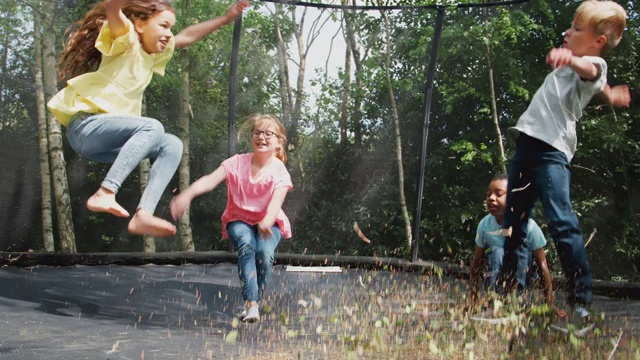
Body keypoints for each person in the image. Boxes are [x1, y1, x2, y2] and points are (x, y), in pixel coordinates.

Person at [47, 0, 250, 237]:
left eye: (170, 28)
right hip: (86, 127)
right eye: (163, 26)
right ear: (140, 24)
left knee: (172, 144)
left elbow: (186, 37)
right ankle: (105, 191)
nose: (168, 34)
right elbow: (114, 9)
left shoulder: (152, 55)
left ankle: (143, 214)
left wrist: (226, 19)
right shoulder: (126, 38)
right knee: (152, 126)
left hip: (105, 144)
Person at [498, 0, 629, 321]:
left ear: (597, 41)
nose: (567, 32)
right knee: (512, 223)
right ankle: (505, 299)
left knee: (561, 223)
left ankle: (581, 301)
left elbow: (593, 70)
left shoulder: (592, 64)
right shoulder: (573, 70)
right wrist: (610, 95)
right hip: (525, 147)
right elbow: (598, 84)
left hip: (551, 153)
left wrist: (571, 58)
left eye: (577, 29)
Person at [170, 114, 292, 323]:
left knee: (264, 253)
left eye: (268, 134)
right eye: (257, 133)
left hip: (269, 222)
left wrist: (267, 220)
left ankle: (255, 298)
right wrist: (187, 194)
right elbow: (210, 180)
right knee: (246, 245)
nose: (261, 137)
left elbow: (276, 202)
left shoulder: (279, 170)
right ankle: (251, 304)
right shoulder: (236, 163)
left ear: (279, 141)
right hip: (239, 219)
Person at [468, 175, 566, 318]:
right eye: (488, 194)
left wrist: (549, 302)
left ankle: (517, 301)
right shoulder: (485, 225)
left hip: (523, 274)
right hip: (497, 273)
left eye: (498, 194)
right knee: (496, 251)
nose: (491, 198)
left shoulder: (529, 226)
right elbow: (476, 262)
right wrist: (473, 298)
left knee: (519, 249)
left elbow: (542, 264)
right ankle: (493, 300)